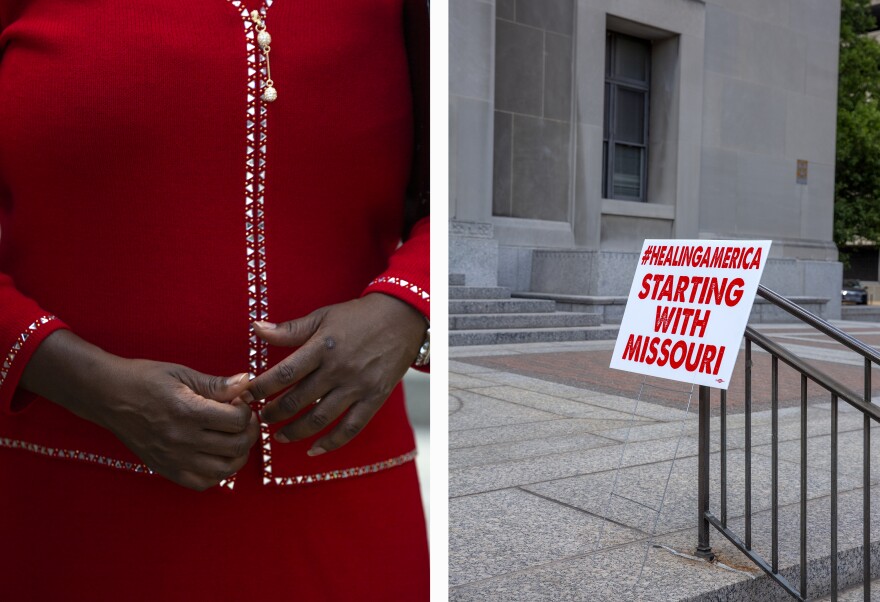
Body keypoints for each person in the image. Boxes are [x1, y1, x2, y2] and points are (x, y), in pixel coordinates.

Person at [0, 0, 430, 599]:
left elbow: (448, 193)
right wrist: (79, 379)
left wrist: (408, 304)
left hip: (339, 495)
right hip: (64, 500)